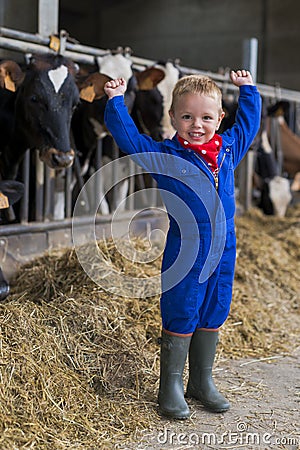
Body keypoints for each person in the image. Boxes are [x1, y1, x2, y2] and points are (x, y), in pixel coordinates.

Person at [104, 70, 262, 419]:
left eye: (207, 117)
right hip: (187, 245)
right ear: (172, 117)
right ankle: (171, 385)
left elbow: (249, 125)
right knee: (182, 305)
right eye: (187, 116)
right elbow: (129, 138)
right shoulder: (164, 156)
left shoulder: (228, 150)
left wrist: (248, 91)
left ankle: (201, 381)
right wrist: (116, 101)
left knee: (216, 305)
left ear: (220, 118)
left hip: (224, 244)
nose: (196, 124)